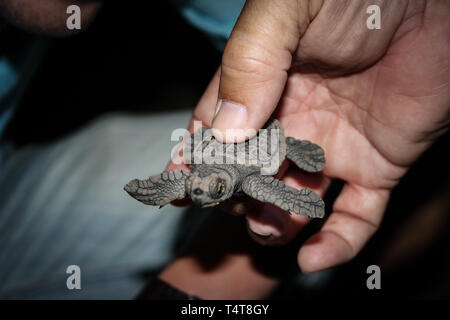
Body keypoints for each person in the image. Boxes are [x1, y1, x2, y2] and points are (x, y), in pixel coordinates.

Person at [0, 0, 449, 299]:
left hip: (273, 142)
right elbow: (185, 183)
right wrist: (162, 189)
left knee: (297, 200)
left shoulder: (250, 178)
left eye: (203, 187)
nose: (198, 190)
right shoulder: (198, 175)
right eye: (200, 188)